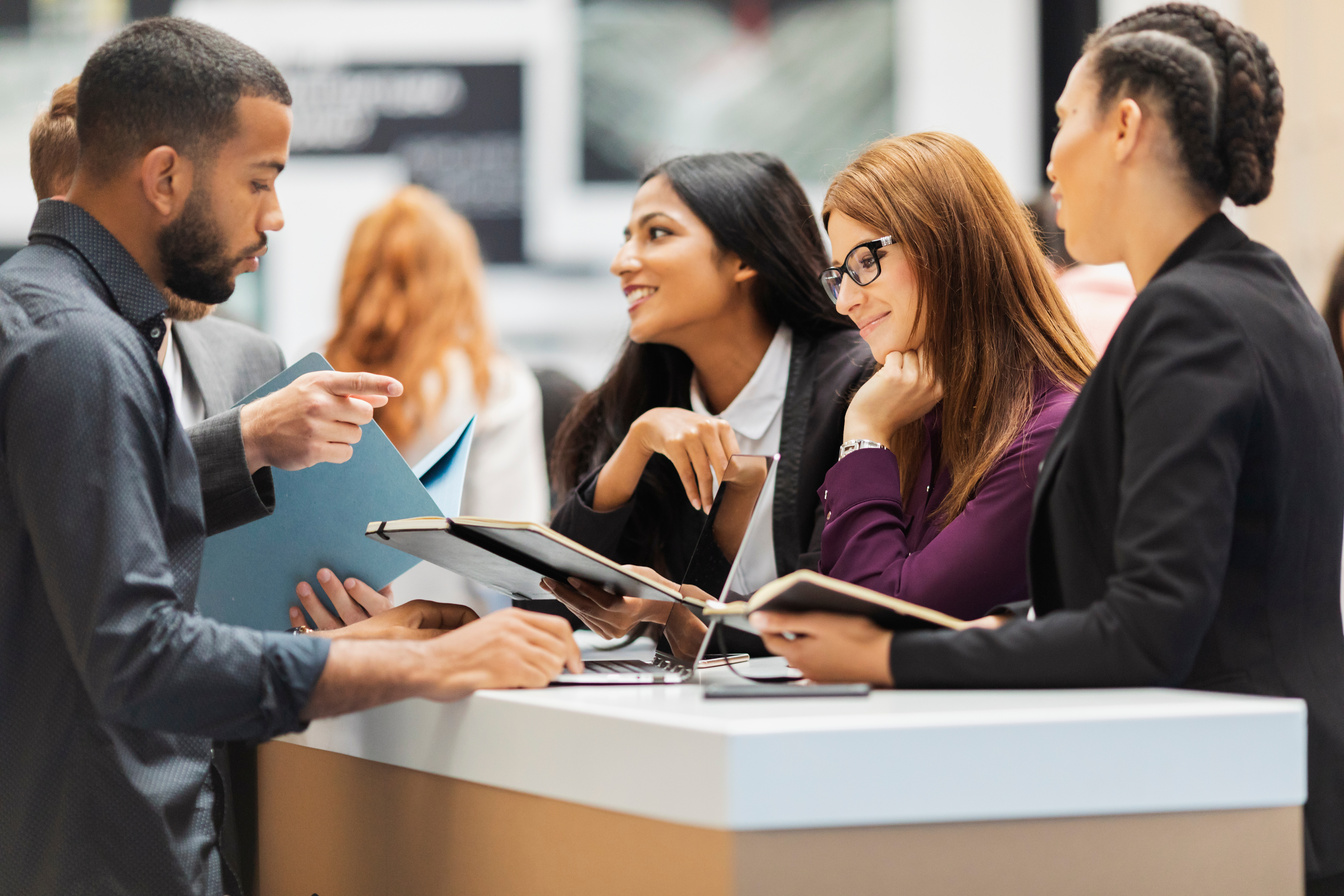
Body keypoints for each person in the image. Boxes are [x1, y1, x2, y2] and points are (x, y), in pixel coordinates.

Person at [751, 5, 1344, 891]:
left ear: (1125, 127)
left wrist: (884, 657)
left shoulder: (1194, 316)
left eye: (1064, 119)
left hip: (1235, 806)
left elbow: (1145, 628)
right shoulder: (1252, 293)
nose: (1049, 159)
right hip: (1258, 783)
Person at [0, 19, 580, 896]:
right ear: (165, 177)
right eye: (259, 181)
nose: (274, 215)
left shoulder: (45, 315)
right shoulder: (80, 345)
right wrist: (428, 661)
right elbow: (139, 658)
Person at [28, 75, 391, 537]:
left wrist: (350, 602)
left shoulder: (254, 360)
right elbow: (71, 532)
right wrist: (247, 437)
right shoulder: (29, 347)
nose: (268, 219)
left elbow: (281, 560)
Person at [541, 151, 871, 644]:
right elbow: (558, 598)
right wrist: (634, 448)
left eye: (656, 233)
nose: (621, 262)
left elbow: (835, 613)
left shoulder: (858, 384)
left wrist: (676, 610)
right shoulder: (647, 397)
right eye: (626, 238)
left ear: (744, 258)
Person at [817, 132, 1093, 620]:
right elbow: (837, 608)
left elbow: (885, 619)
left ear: (944, 247)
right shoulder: (919, 407)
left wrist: (864, 435)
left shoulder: (1047, 434)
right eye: (841, 273)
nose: (845, 300)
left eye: (865, 261)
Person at [292, 187, 550, 625]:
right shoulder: (496, 384)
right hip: (450, 645)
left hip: (324, 640)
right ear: (460, 279)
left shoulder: (308, 378)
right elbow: (515, 558)